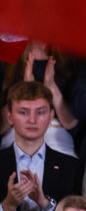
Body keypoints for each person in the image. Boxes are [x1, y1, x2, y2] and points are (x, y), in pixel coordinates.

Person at [0, 82, 78, 211]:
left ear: (51, 116)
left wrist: (45, 203)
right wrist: (7, 205)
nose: (32, 120)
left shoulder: (71, 167)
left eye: (40, 112)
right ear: (10, 117)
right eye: (24, 112)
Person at [1, 42, 79, 157]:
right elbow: (1, 125)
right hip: (15, 135)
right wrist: (23, 90)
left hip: (57, 138)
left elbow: (71, 123)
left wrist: (51, 86)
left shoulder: (69, 63)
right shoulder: (8, 61)